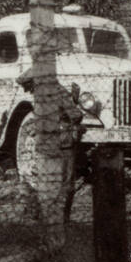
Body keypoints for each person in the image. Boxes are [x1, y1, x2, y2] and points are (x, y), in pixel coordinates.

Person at [17, 67, 84, 226]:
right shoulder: (58, 91)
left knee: (47, 181)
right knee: (66, 183)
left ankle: (45, 217)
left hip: (45, 145)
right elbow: (76, 115)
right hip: (63, 142)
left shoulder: (41, 96)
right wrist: (74, 104)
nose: (30, 92)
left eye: (30, 88)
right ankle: (62, 219)